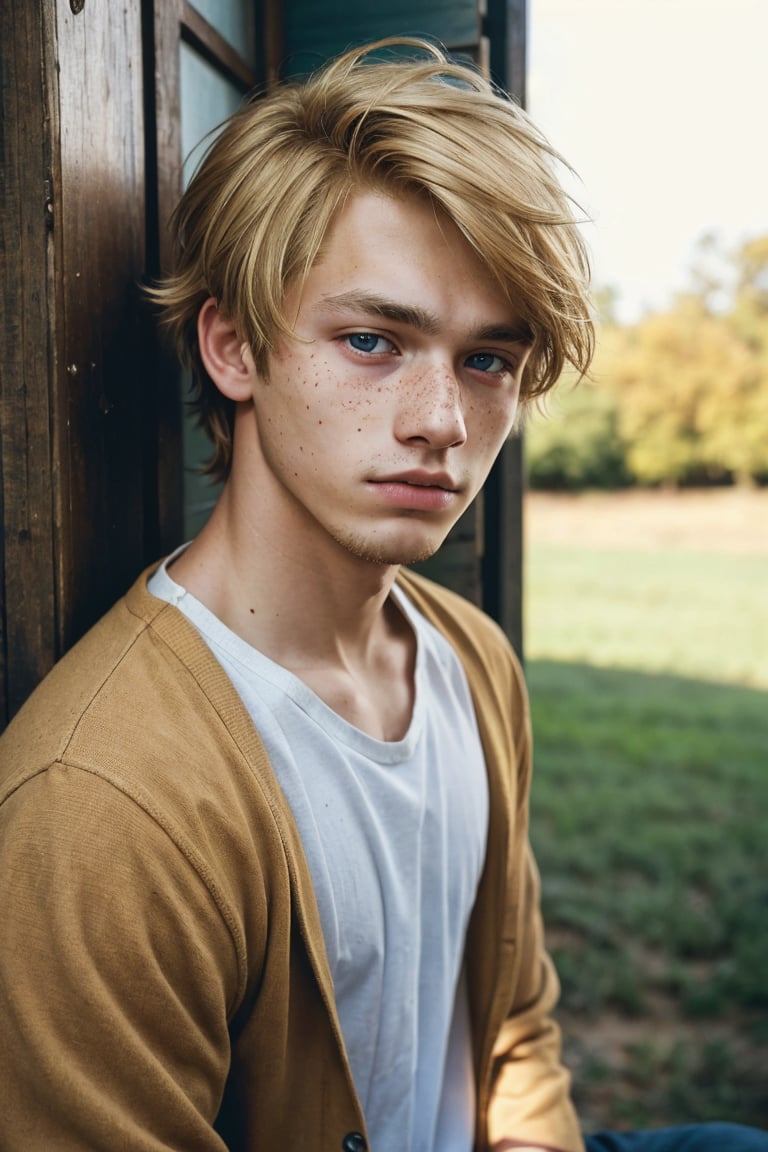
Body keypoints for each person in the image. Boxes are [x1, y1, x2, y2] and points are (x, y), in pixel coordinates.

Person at [0, 37, 764, 1152]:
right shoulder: (101, 807)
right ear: (233, 346)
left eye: (486, 361)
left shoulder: (469, 660)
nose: (442, 422)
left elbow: (513, 1029)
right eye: (373, 340)